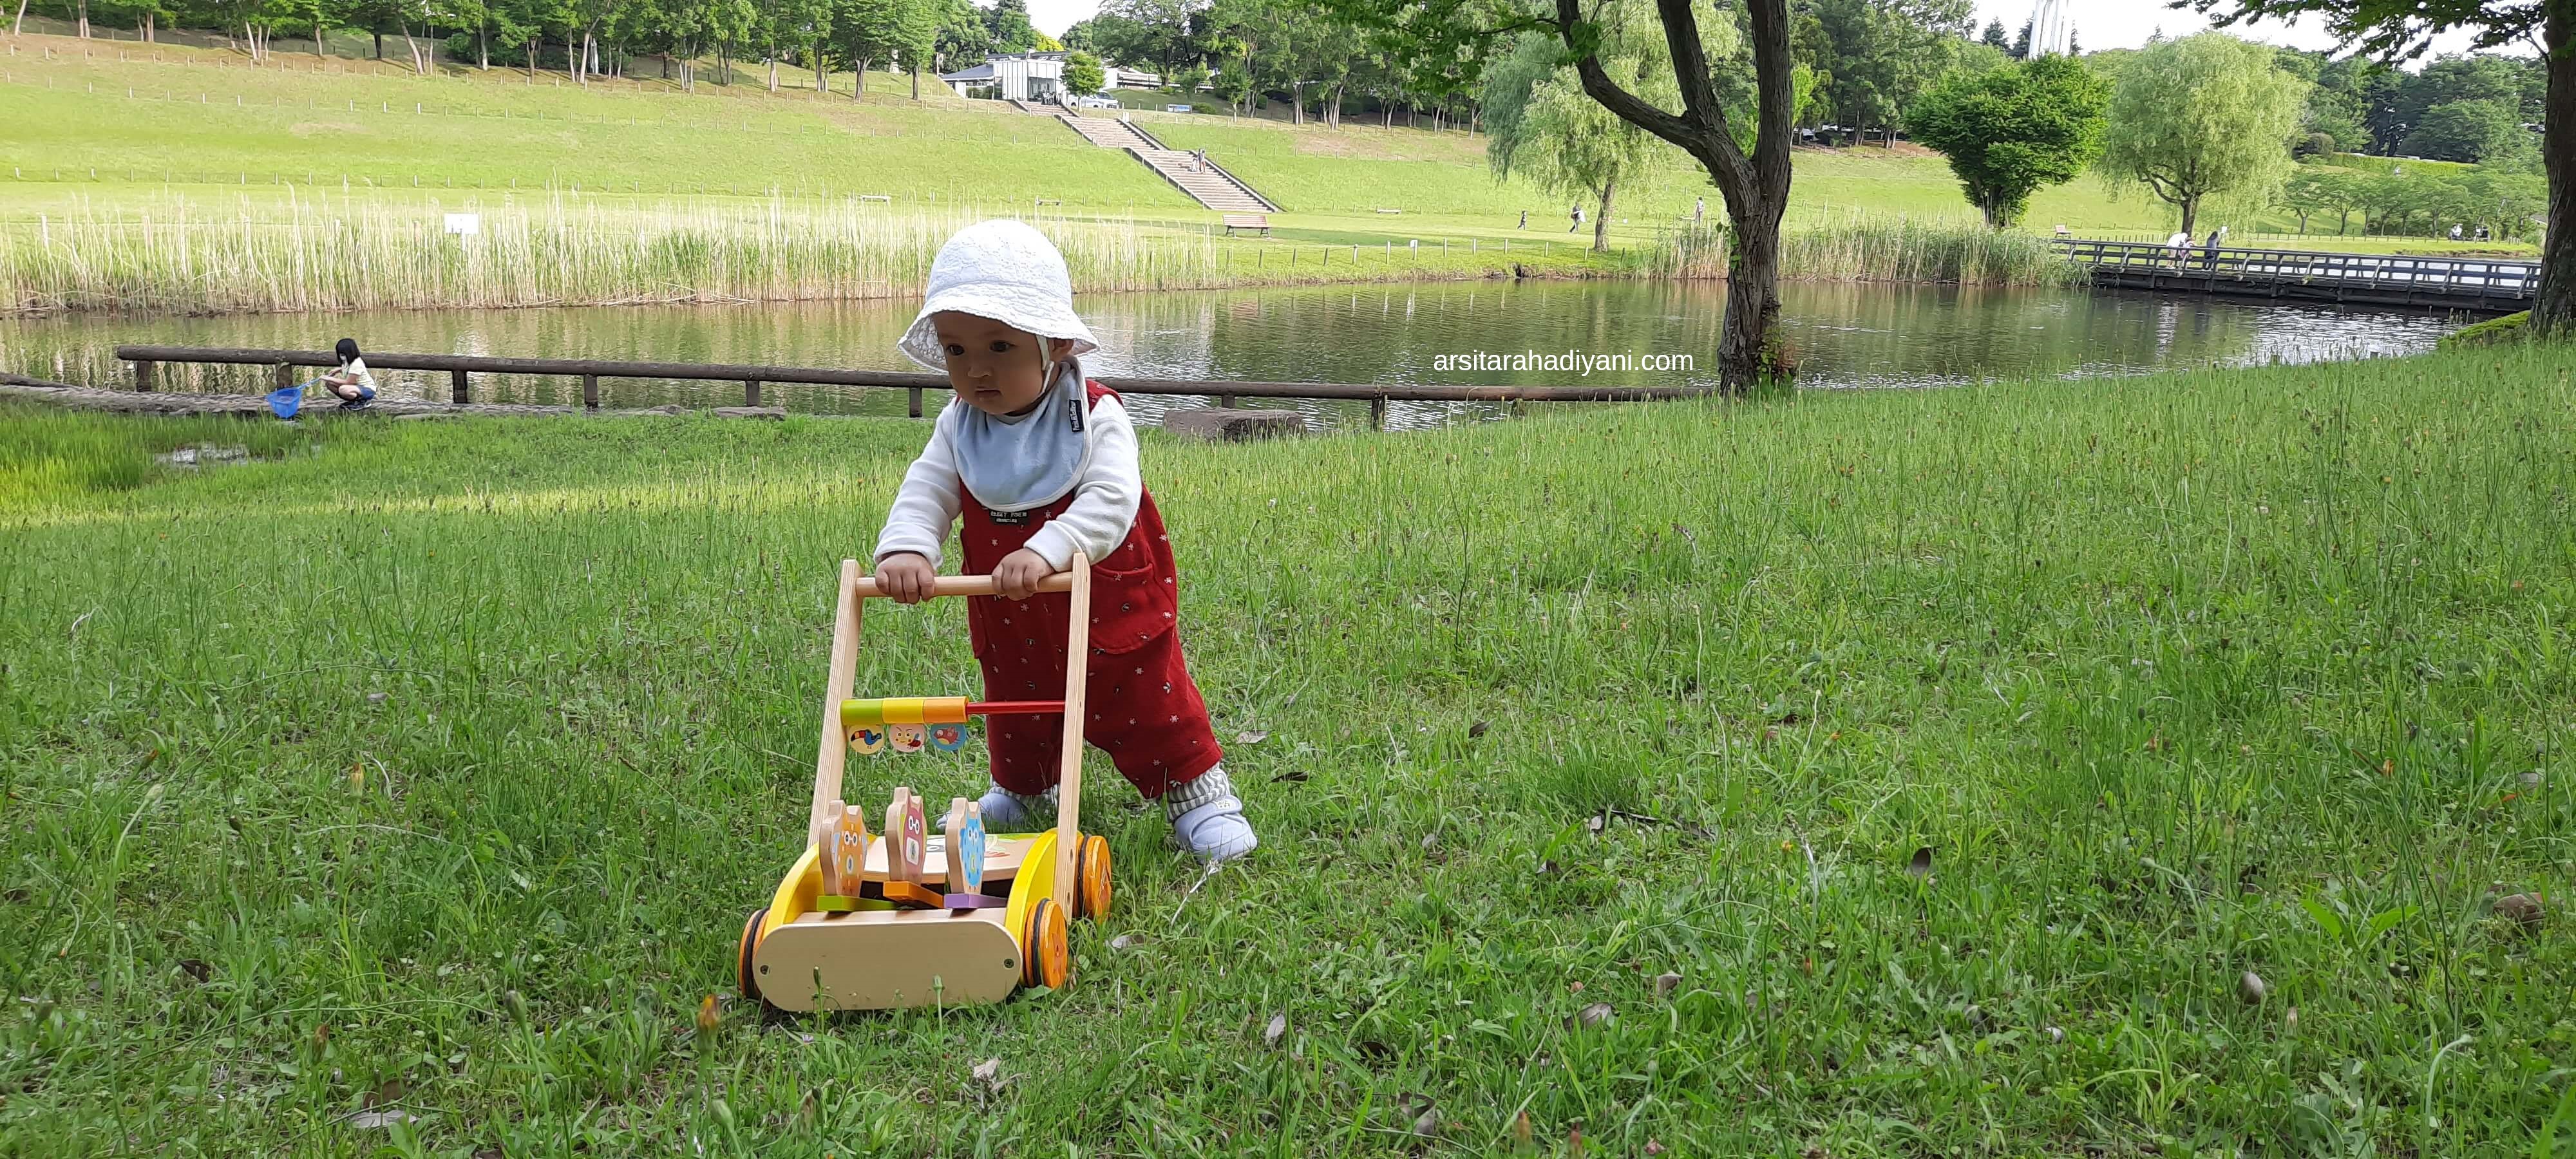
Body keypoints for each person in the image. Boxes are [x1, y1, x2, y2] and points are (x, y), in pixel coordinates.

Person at [872, 220, 1256, 865]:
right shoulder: (958, 426)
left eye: (999, 346)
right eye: (956, 351)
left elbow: (1112, 500)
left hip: (1104, 594)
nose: (976, 370)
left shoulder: (1096, 415)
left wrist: (1050, 547)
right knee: (1014, 696)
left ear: (1052, 345)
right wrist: (908, 547)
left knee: (1142, 692)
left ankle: (1198, 792)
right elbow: (928, 489)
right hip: (1010, 604)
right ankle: (1023, 787)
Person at [319, 338, 377, 410]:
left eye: (343, 354)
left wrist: (330, 378)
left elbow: (349, 382)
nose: (341, 356)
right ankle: (353, 401)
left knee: (343, 389)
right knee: (330, 384)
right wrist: (338, 370)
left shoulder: (357, 364)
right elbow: (350, 370)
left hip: (367, 390)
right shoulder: (348, 361)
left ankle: (362, 402)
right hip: (356, 387)